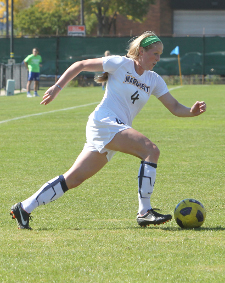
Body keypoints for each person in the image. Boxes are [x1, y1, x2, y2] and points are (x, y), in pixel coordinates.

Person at [10, 31, 206, 230]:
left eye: (160, 54)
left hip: (114, 128)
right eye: (155, 53)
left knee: (74, 179)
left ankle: (24, 208)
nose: (158, 58)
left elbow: (174, 107)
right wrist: (57, 87)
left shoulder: (154, 80)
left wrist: (191, 111)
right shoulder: (121, 63)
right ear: (141, 51)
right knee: (151, 150)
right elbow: (81, 65)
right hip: (104, 122)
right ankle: (145, 211)